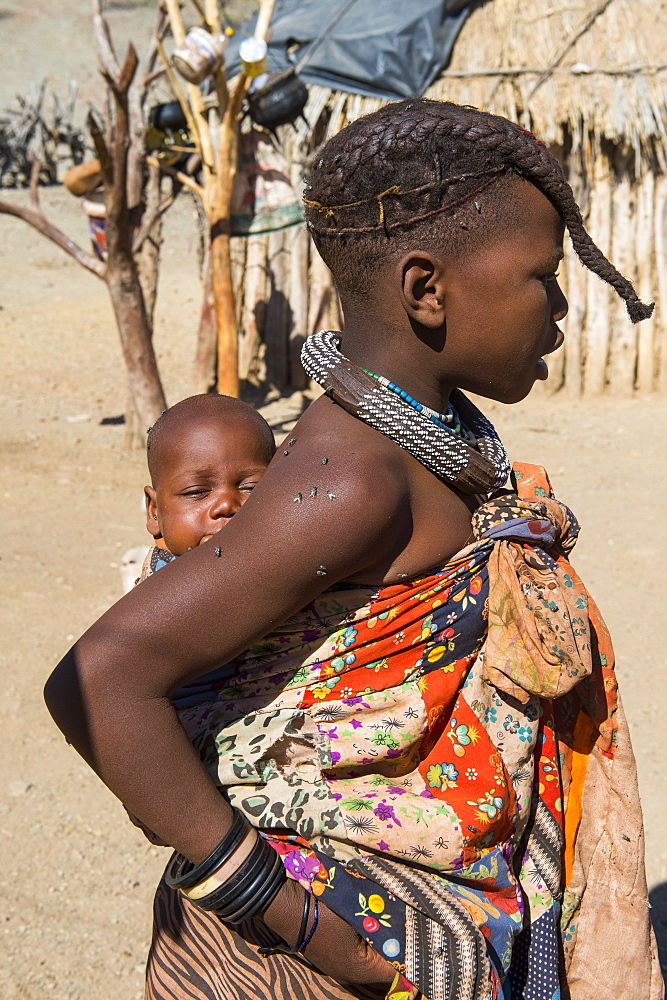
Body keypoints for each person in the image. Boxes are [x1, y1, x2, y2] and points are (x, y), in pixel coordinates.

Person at [44, 100, 662, 1000]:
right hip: (310, 949)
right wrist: (287, 914)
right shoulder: (351, 481)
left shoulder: (432, 441)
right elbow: (97, 678)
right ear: (425, 289)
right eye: (542, 278)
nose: (561, 310)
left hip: (421, 910)